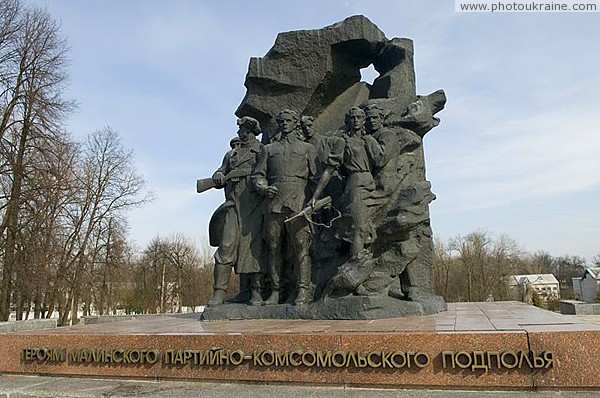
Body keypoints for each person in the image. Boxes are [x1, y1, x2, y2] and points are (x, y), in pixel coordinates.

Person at [252, 109, 318, 305]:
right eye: (281, 121)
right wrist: (263, 188)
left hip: (299, 202)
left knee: (301, 248)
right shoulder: (269, 149)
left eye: (288, 120)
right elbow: (257, 176)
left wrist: (315, 201)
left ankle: (303, 290)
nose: (284, 124)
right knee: (274, 249)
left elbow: (316, 177)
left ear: (295, 122)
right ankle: (276, 291)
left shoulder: (307, 148)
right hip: (274, 204)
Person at [207, 117, 265, 306]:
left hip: (254, 206)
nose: (240, 131)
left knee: (254, 248)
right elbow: (220, 172)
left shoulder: (261, 150)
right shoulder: (230, 155)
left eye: (243, 128)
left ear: (250, 130)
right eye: (239, 128)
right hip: (232, 206)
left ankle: (255, 291)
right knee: (226, 247)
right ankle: (219, 292)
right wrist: (218, 175)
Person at [363, 104, 401, 195]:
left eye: (375, 117)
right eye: (368, 119)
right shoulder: (371, 136)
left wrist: (369, 140)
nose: (372, 121)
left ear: (382, 119)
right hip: (372, 182)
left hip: (384, 183)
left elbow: (380, 159)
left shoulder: (388, 135)